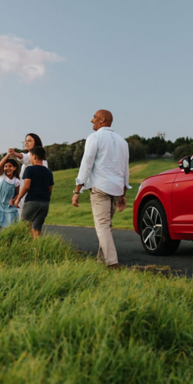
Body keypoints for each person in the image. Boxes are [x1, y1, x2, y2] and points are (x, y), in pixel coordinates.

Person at [72, 109, 130, 268]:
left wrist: (77, 190)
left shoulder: (94, 137)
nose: (92, 120)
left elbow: (86, 164)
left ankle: (112, 263)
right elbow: (125, 169)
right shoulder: (122, 142)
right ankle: (101, 261)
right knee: (107, 225)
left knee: (103, 226)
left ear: (102, 120)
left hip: (100, 187)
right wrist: (123, 194)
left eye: (94, 117)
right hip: (116, 189)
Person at [13, 146, 54, 238]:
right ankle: (38, 249)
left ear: (34, 157)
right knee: (37, 229)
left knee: (24, 226)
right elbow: (50, 189)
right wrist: (46, 199)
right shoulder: (48, 172)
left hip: (32, 202)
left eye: (30, 156)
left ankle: (27, 247)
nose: (30, 159)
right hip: (45, 203)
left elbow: (26, 186)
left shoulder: (30, 169)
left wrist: (18, 198)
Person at [8, 133, 49, 217]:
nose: (26, 143)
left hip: (29, 194)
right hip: (28, 194)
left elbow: (24, 157)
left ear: (36, 143)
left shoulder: (34, 158)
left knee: (25, 220)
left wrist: (16, 154)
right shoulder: (38, 159)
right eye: (25, 141)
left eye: (29, 141)